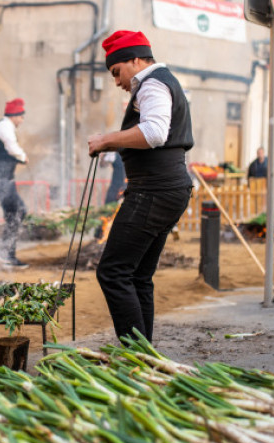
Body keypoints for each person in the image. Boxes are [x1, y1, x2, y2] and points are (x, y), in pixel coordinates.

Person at [87, 31, 194, 342]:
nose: (117, 81)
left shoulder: (154, 83)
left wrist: (106, 139)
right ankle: (145, 358)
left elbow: (156, 133)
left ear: (135, 60)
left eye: (116, 72)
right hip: (168, 190)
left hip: (155, 192)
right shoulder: (160, 81)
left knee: (113, 272)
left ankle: (136, 355)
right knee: (138, 277)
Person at [0, 98, 30, 268]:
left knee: (15, 213)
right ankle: (4, 250)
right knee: (19, 211)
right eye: (21, 117)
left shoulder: (6, 126)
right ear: (15, 115)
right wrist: (23, 156)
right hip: (0, 179)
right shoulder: (5, 126)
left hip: (4, 179)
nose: (22, 120)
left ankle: (7, 253)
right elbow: (12, 148)